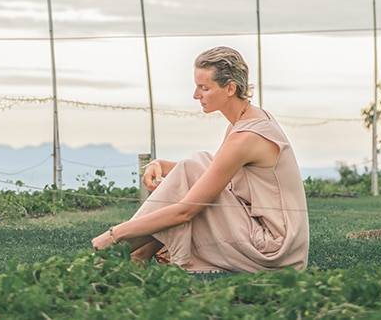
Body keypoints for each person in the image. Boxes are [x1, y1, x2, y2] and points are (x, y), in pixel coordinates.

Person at [91, 46, 309, 273]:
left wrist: (115, 233)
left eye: (204, 88)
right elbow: (217, 173)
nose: (196, 95)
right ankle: (137, 254)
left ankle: (124, 252)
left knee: (193, 173)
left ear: (230, 88)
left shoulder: (245, 137)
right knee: (195, 167)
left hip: (273, 249)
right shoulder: (248, 121)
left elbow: (185, 211)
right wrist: (161, 165)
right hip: (263, 232)